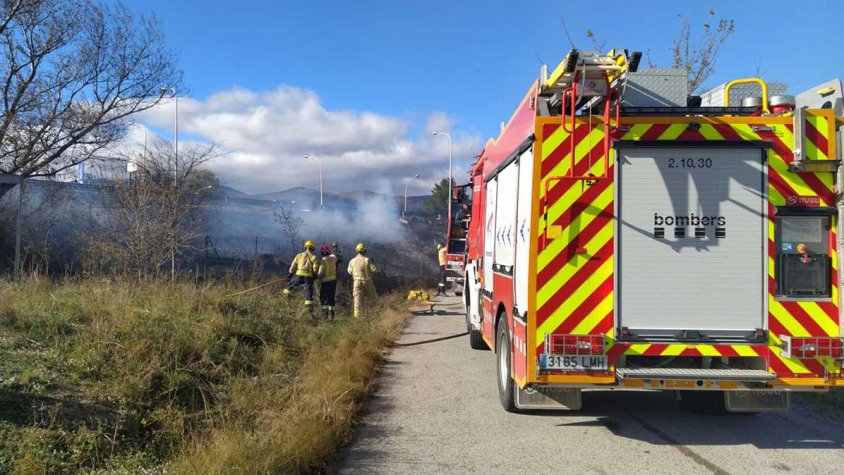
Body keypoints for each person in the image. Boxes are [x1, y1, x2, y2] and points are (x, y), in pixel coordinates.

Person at [283, 240, 318, 307]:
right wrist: (314, 275)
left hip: (298, 275)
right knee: (308, 292)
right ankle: (308, 308)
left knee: (288, 286)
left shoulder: (299, 255)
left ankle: (286, 300)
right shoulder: (314, 257)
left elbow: (293, 265)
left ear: (305, 247)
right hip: (308, 277)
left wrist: (290, 273)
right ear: (312, 248)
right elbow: (315, 269)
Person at [347, 242, 376, 318]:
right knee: (371, 298)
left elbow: (349, 271)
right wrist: (373, 263)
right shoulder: (367, 260)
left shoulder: (352, 261)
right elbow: (374, 270)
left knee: (357, 300)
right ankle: (371, 315)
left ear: (357, 250)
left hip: (357, 282)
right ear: (364, 251)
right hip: (367, 281)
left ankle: (357, 318)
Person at [317, 244, 338, 320]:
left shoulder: (323, 260)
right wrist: (335, 248)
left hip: (326, 282)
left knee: (323, 298)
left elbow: (320, 273)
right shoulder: (333, 258)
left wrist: (317, 276)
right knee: (331, 298)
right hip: (334, 281)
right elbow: (335, 255)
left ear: (322, 252)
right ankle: (331, 315)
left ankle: (324, 316)